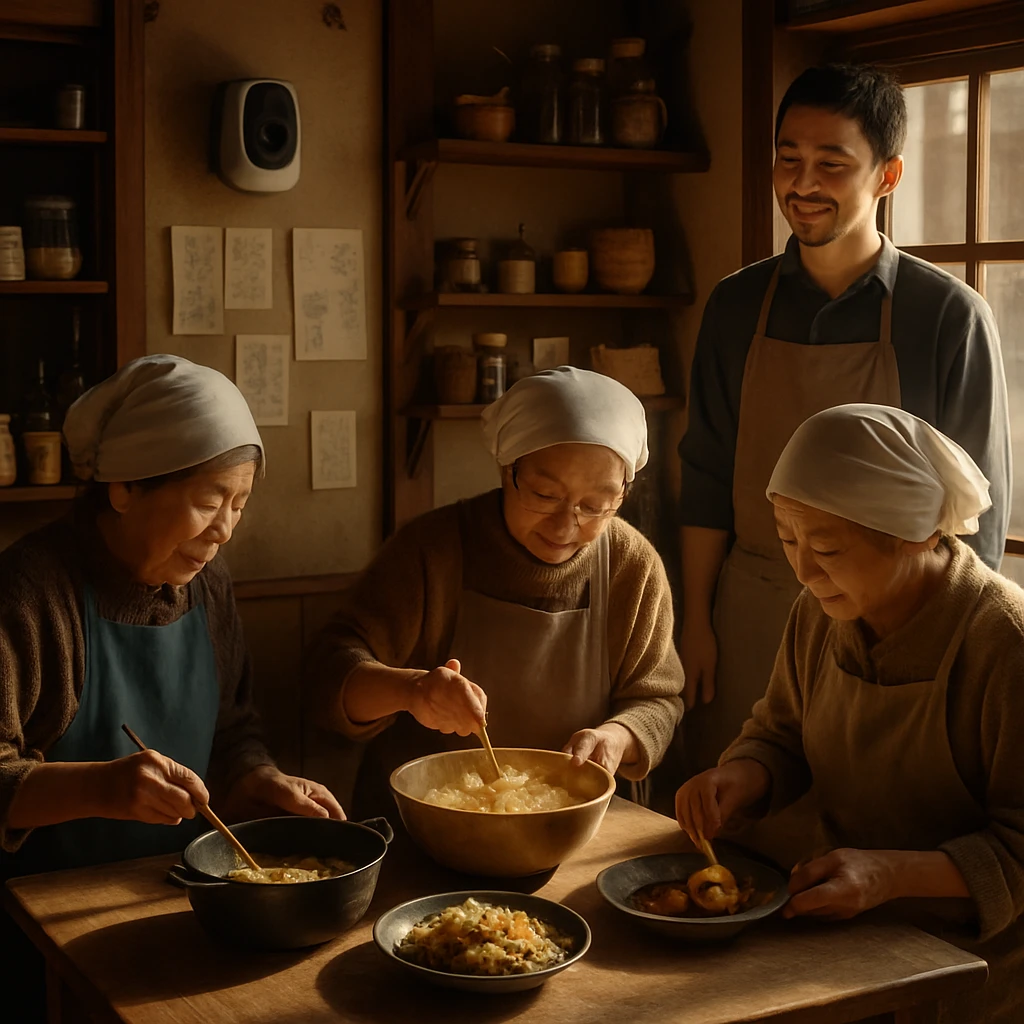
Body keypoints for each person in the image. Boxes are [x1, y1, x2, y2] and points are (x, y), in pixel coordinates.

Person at [677, 63, 1010, 776]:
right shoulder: (737, 307)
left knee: (868, 833)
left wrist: (952, 659)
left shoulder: (947, 316)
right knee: (735, 822)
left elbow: (976, 522)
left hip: (895, 630)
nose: (802, 184)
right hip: (752, 611)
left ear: (887, 176)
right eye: (789, 159)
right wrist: (696, 620)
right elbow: (706, 472)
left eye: (832, 164)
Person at [0, 355, 343, 1018]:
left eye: (239, 504)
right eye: (209, 500)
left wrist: (259, 779)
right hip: (45, 930)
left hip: (181, 903)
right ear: (124, 487)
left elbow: (234, 732)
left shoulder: (206, 585)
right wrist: (101, 786)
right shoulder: (31, 592)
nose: (224, 530)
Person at [676, 404, 1024, 1023]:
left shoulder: (1003, 643)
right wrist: (742, 776)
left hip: (976, 975)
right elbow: (781, 732)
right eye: (788, 540)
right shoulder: (821, 612)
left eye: (829, 548)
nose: (804, 571)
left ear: (915, 534)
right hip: (846, 943)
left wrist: (891, 874)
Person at [308, 367, 684, 817]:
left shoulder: (631, 565)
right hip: (428, 826)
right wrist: (411, 690)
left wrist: (618, 737)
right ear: (508, 468)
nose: (568, 526)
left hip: (580, 826)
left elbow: (657, 699)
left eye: (596, 504)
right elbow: (325, 678)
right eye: (545, 494)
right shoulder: (431, 551)